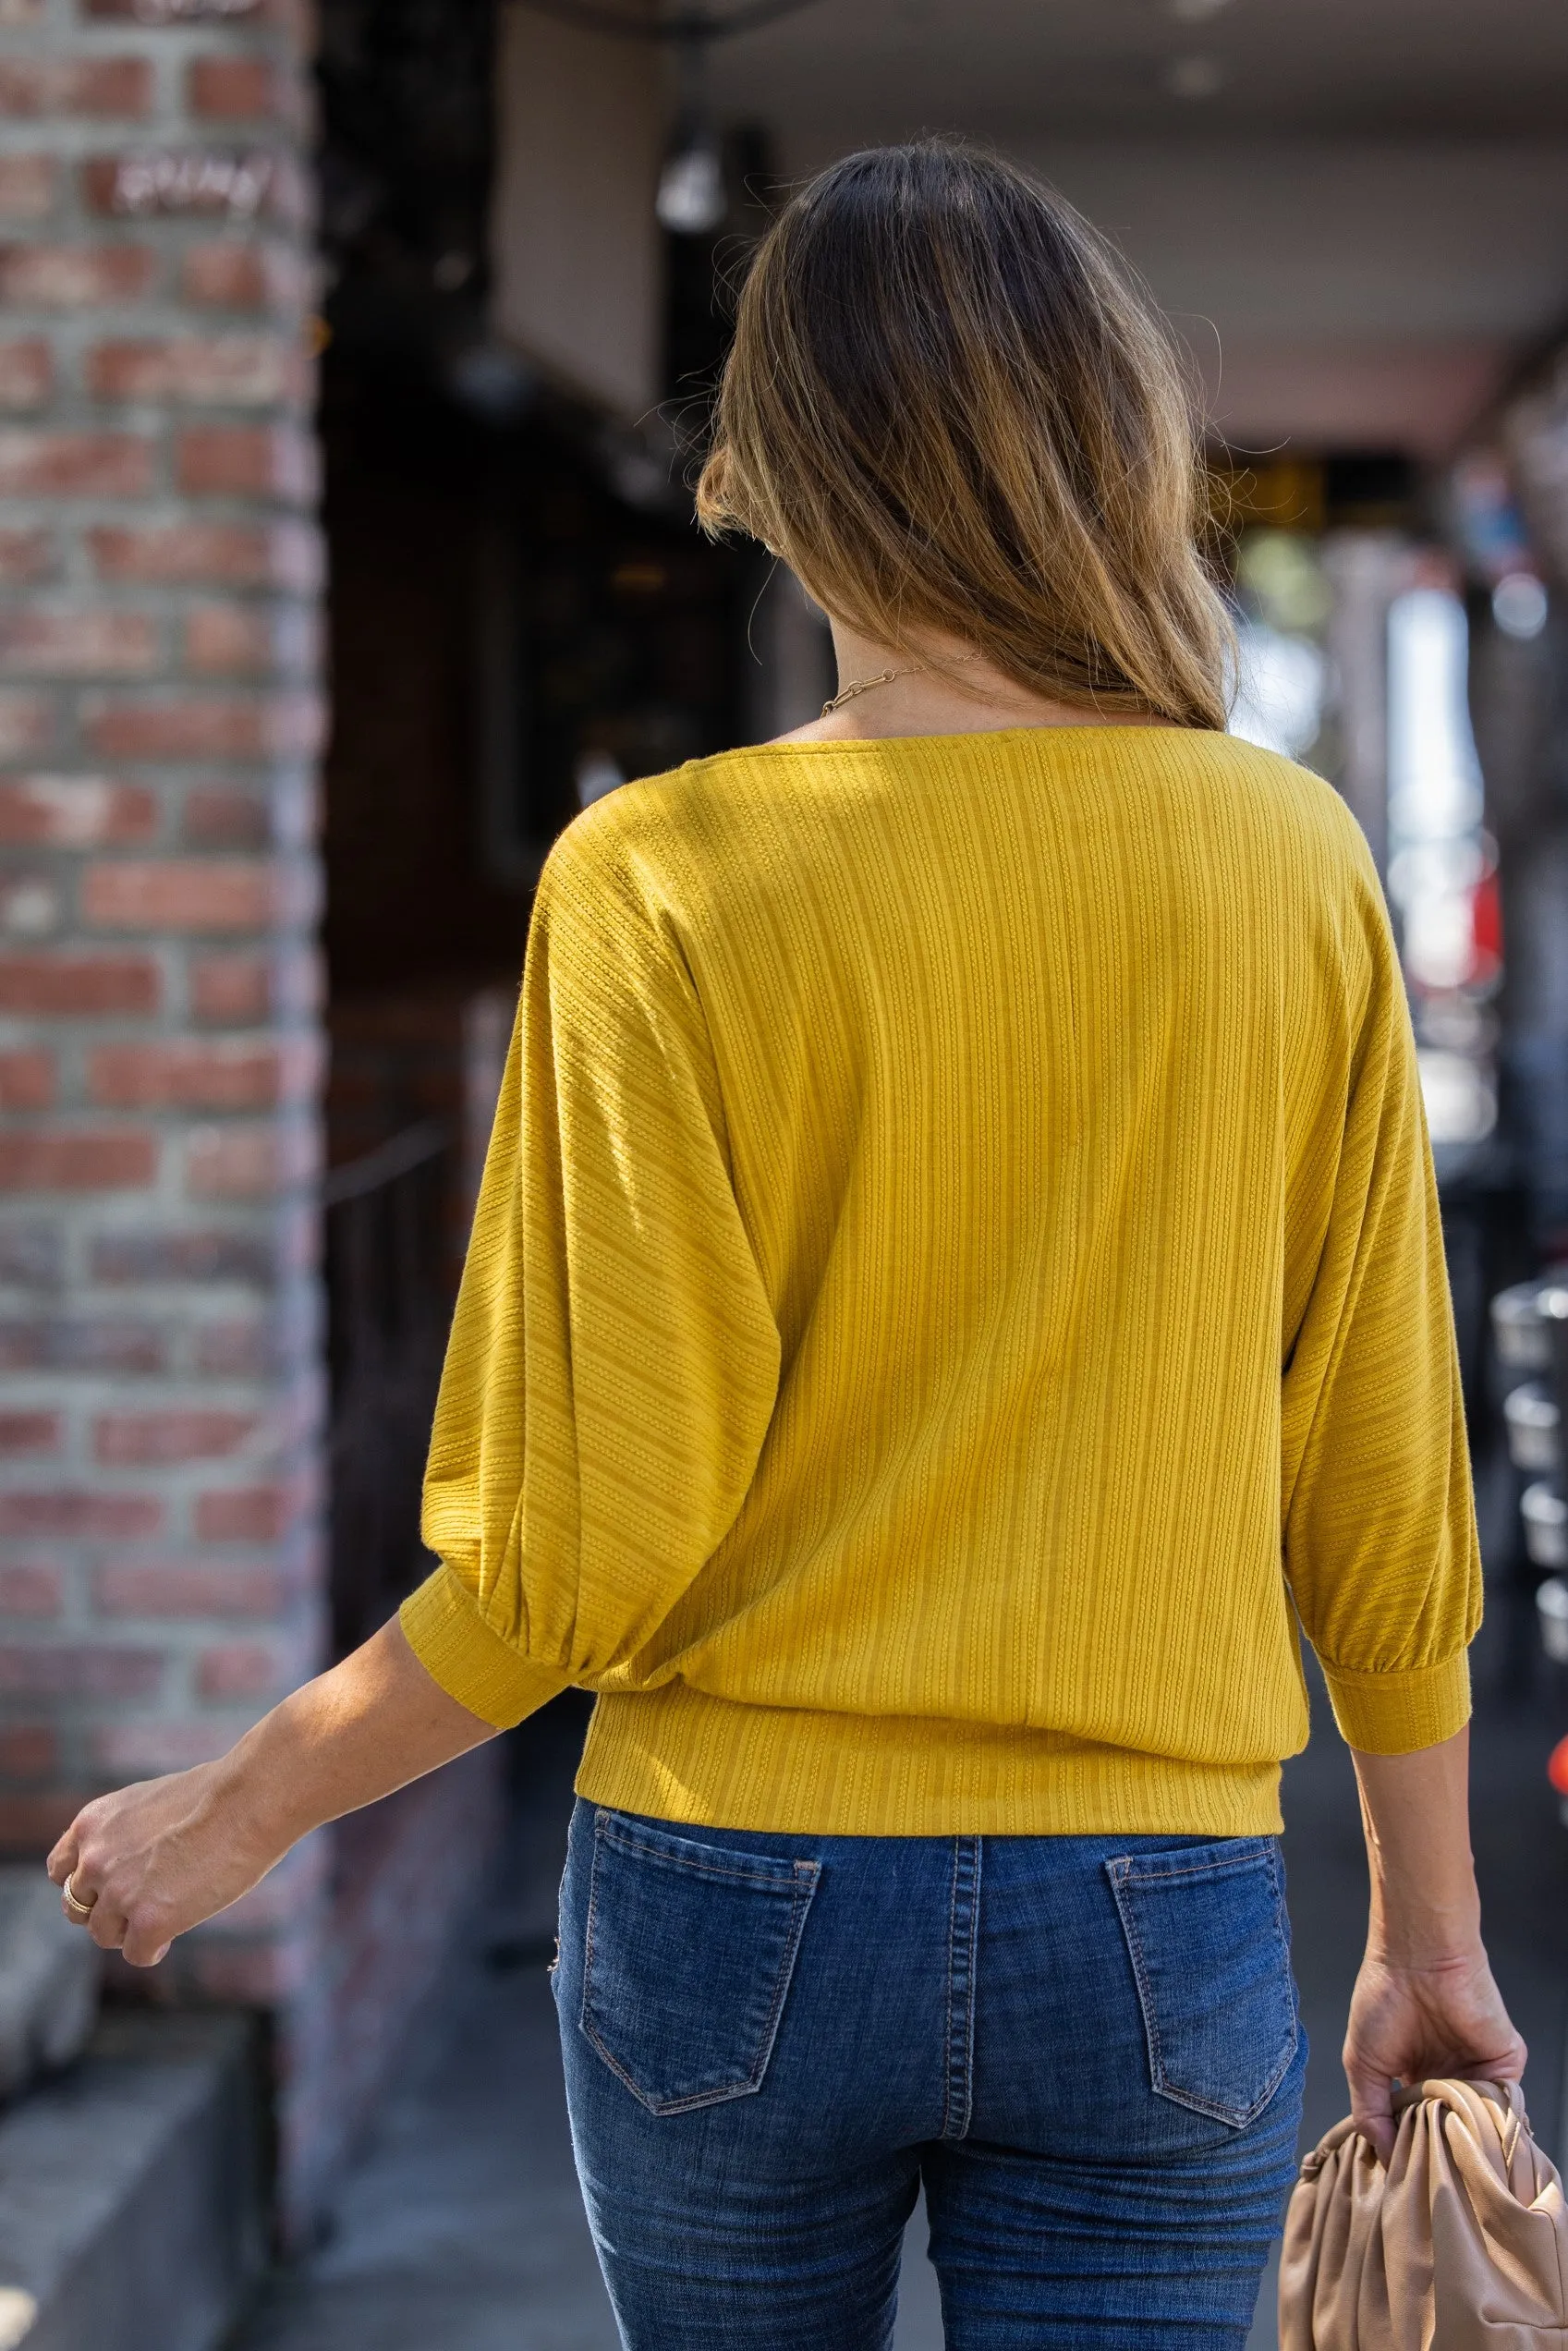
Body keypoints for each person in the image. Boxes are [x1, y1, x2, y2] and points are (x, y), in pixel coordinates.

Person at [49, 140, 1523, 2349]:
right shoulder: (1280, 862)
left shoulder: (660, 879)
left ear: (768, 470)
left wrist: (236, 1808)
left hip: (727, 1904)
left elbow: (585, 1548)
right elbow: (1380, 1481)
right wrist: (1429, 1934)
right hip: (1155, 1910)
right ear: (1108, 448)